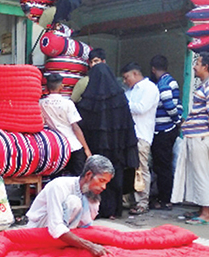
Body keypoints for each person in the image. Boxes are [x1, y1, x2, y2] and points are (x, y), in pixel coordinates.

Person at [76, 48, 139, 219]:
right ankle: (114, 210)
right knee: (113, 177)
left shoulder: (89, 100)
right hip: (117, 149)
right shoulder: (120, 98)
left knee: (96, 177)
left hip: (96, 150)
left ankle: (97, 210)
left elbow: (80, 121)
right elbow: (128, 125)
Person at [25, 155, 114, 257]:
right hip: (39, 230)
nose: (104, 187)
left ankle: (67, 243)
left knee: (92, 202)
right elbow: (56, 227)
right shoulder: (59, 186)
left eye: (106, 183)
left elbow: (85, 226)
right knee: (74, 202)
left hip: (64, 233)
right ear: (88, 175)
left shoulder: (90, 194)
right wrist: (90, 246)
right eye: (102, 181)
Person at [171, 52, 209, 225]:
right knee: (198, 173)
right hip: (197, 135)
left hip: (200, 136)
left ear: (205, 67)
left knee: (200, 174)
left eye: (198, 63)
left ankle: (206, 214)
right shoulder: (206, 84)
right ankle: (201, 209)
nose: (194, 66)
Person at [121, 62, 159, 214]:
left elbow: (141, 108)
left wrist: (123, 104)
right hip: (129, 135)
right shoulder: (131, 91)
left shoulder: (149, 89)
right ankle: (129, 200)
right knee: (129, 169)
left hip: (141, 135)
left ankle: (142, 202)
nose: (125, 81)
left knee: (141, 169)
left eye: (127, 77)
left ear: (135, 74)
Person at [40, 73, 92, 176]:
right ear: (62, 86)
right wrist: (86, 148)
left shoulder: (41, 103)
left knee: (56, 178)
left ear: (46, 87)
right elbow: (75, 127)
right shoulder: (68, 103)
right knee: (78, 178)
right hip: (73, 146)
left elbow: (42, 122)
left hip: (56, 147)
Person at [149, 55, 183, 211]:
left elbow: (169, 104)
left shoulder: (163, 83)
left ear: (153, 69)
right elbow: (178, 105)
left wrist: (176, 120)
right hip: (168, 129)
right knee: (164, 165)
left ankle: (165, 199)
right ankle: (165, 197)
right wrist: (178, 119)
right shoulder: (172, 81)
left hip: (164, 130)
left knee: (162, 166)